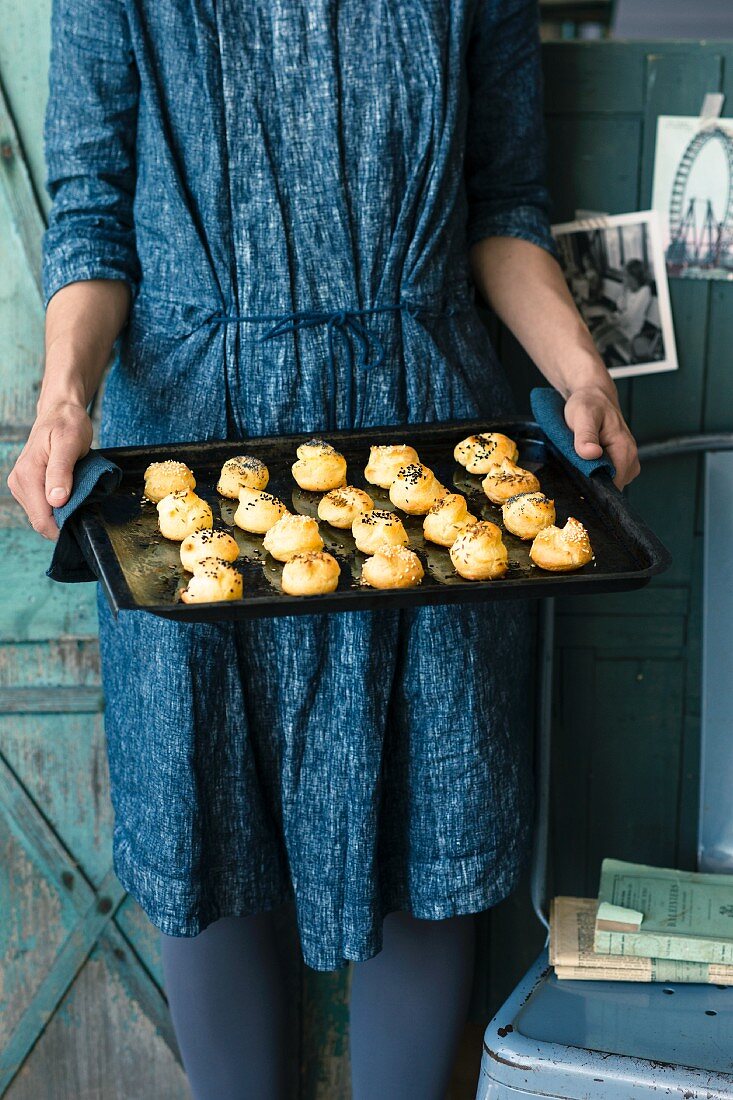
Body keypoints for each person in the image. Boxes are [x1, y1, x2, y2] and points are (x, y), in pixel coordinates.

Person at [8, 2, 639, 1097]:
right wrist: (65, 393)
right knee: (209, 818)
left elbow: (505, 211)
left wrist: (581, 371)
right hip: (191, 448)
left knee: (432, 819)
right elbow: (94, 221)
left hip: (427, 429)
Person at [593, 259, 653, 359]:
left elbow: (630, 318)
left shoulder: (645, 292)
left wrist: (613, 321)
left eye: (626, 275)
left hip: (630, 330)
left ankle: (604, 365)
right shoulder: (630, 289)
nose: (624, 278)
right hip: (620, 322)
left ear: (634, 276)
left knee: (599, 343)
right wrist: (623, 291)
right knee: (595, 335)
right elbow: (620, 306)